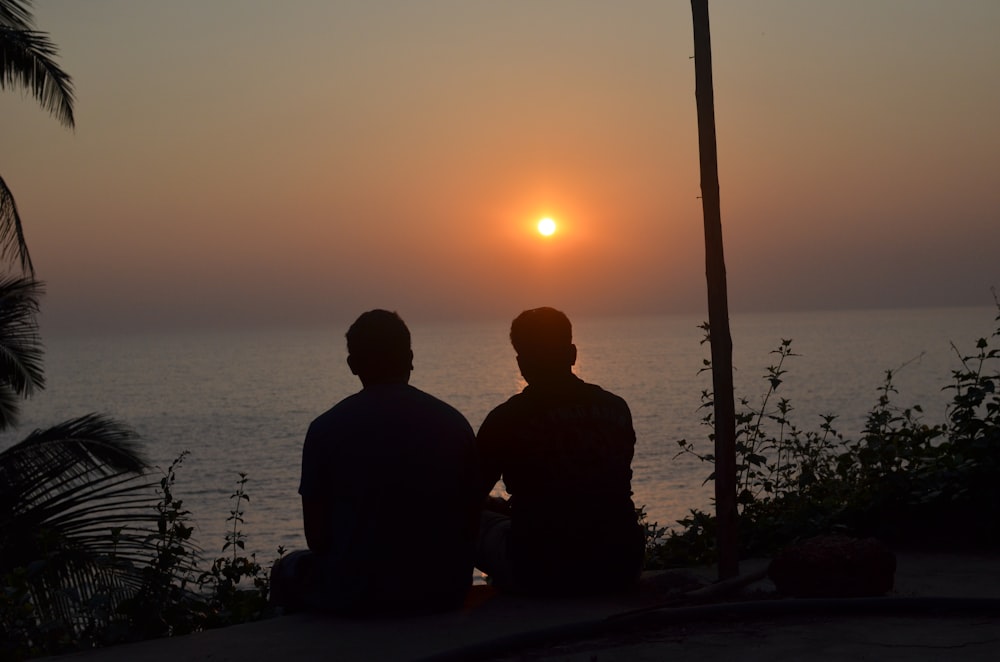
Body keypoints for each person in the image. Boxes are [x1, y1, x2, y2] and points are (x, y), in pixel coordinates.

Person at [270, 309, 480, 615]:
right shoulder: (454, 423)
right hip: (442, 592)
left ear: (353, 365)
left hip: (359, 595)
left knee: (286, 569)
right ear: (409, 357)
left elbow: (317, 538)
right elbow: (470, 522)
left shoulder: (325, 429)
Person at [475, 307, 644, 595]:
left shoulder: (506, 419)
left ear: (521, 363)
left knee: (475, 521)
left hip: (542, 570)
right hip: (620, 565)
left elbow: (468, 494)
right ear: (573, 353)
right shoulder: (616, 408)